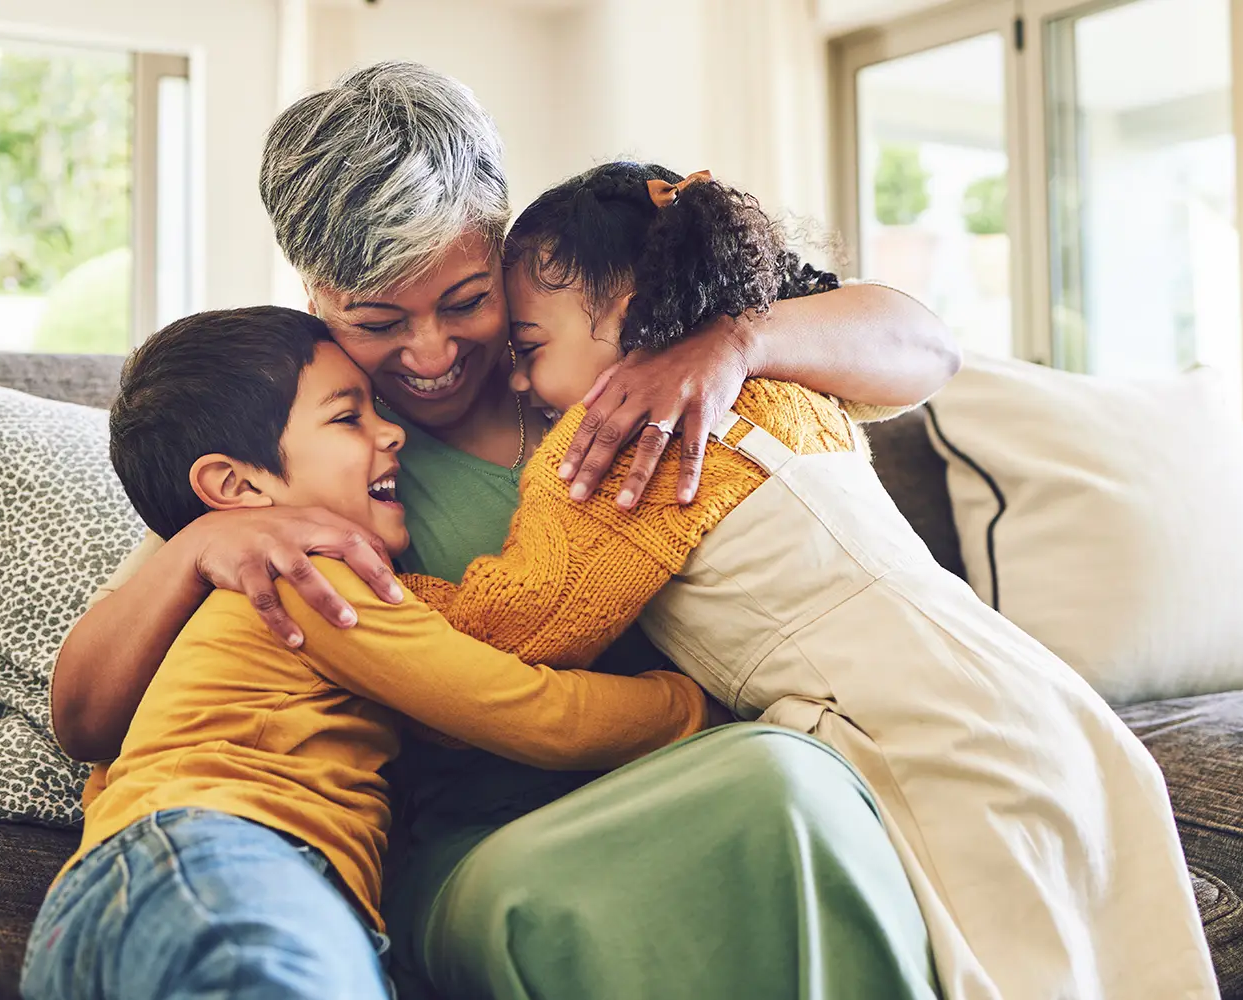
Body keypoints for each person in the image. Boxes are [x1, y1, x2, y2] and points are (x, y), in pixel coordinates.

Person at [50, 62, 961, 999]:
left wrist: (733, 346)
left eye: (465, 301)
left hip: (708, 766)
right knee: (781, 786)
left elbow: (926, 349)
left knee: (805, 788)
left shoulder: (615, 343)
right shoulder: (300, 452)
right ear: (316, 300)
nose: (433, 356)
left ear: (503, 249)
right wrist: (194, 549)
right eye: (376, 321)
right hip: (490, 846)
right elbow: (85, 717)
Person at [401, 161, 1218, 1000]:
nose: (518, 378)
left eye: (530, 349)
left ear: (631, 312)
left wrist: (351, 591)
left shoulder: (625, 449)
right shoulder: (791, 387)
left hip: (911, 729)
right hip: (1042, 696)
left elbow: (514, 629)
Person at [21, 306, 714, 1000]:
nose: (391, 432)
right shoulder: (305, 576)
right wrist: (699, 708)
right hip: (219, 862)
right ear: (236, 488)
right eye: (348, 418)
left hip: (130, 900)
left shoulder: (219, 588)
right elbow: (536, 712)